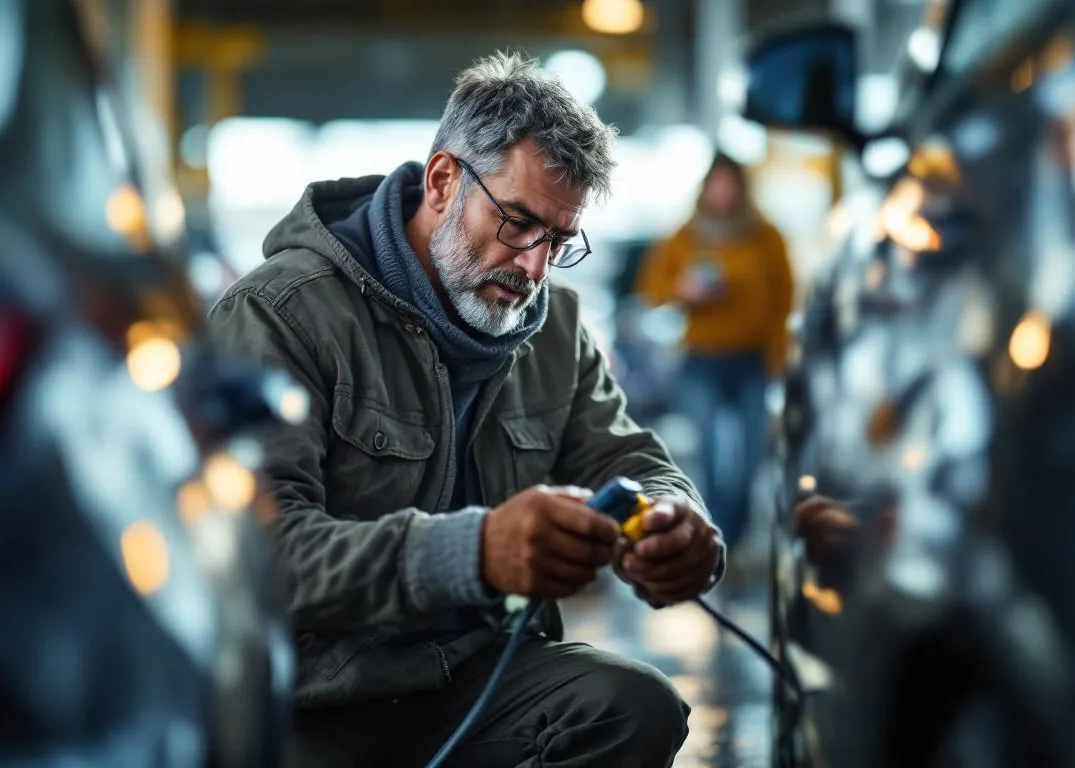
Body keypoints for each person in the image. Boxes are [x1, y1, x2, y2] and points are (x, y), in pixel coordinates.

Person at [207, 52, 724, 767]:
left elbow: (627, 458)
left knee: (633, 708)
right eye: (518, 223)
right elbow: (256, 554)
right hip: (312, 702)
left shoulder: (554, 325)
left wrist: (680, 521)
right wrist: (472, 553)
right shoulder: (281, 315)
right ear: (444, 181)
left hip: (471, 679)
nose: (533, 266)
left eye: (558, 240)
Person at [635, 153, 794, 559]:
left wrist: (780, 360)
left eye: (731, 184)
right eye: (716, 184)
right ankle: (715, 532)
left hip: (752, 360)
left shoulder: (766, 237)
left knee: (750, 455)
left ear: (742, 188)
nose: (723, 192)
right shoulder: (685, 237)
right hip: (701, 361)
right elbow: (652, 289)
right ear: (705, 188)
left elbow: (784, 303)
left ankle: (732, 534)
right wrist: (683, 291)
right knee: (710, 453)